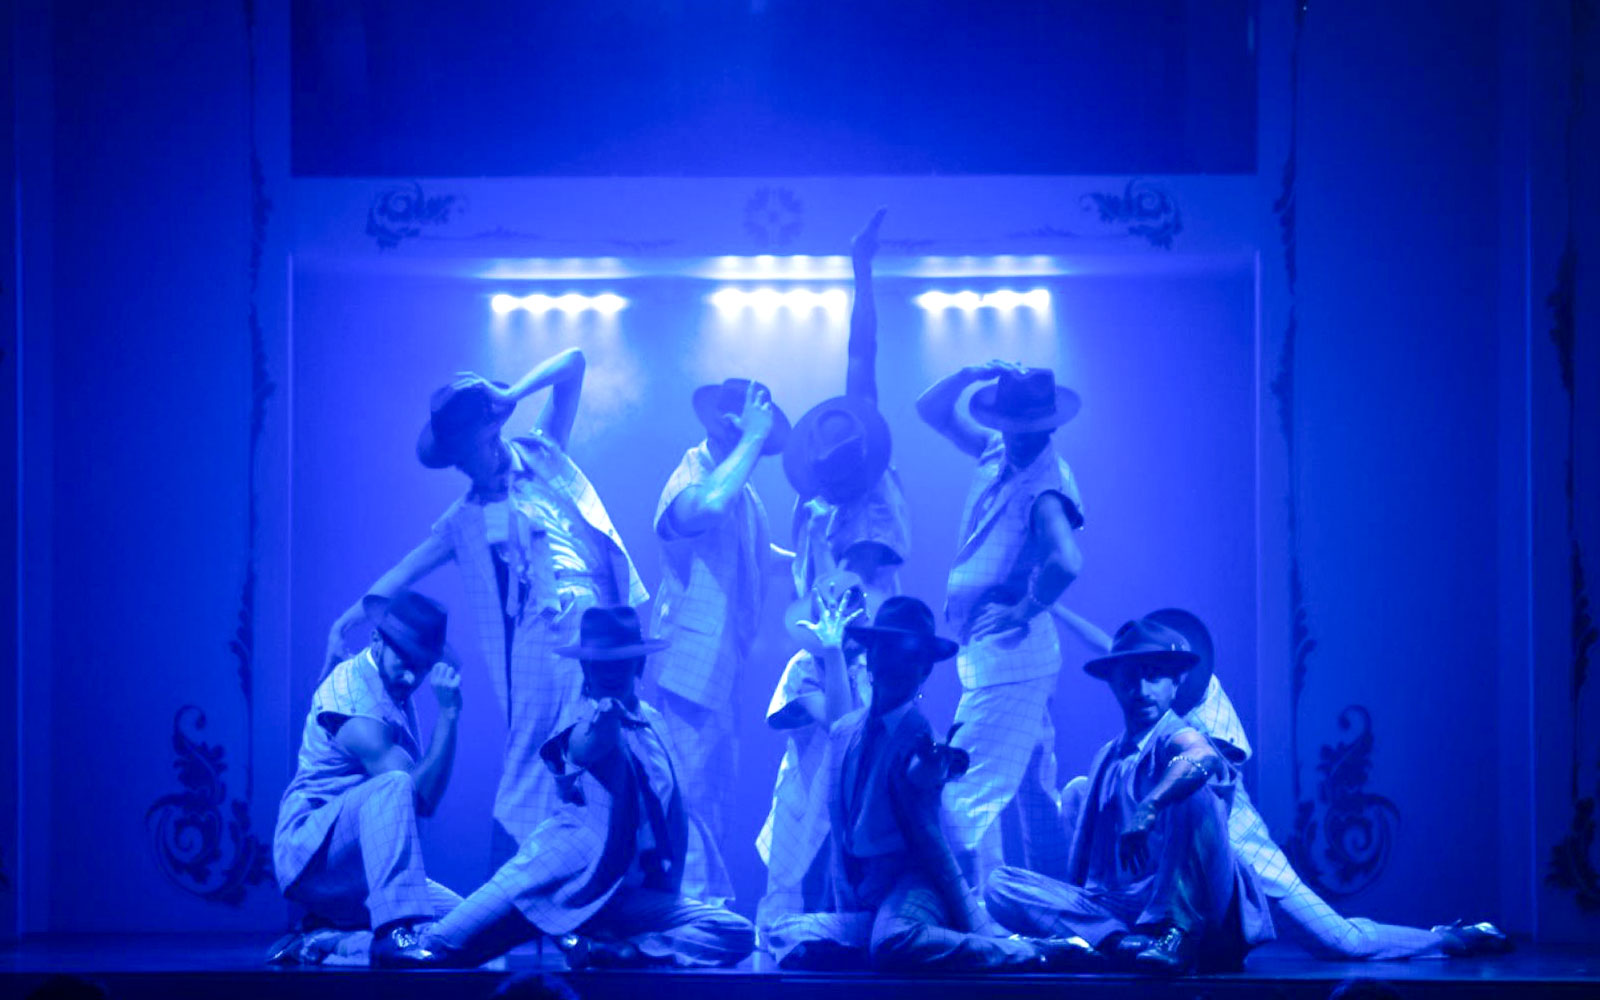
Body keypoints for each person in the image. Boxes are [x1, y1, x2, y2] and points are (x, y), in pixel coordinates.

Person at [324, 349, 648, 859]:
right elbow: (400, 575)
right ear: (457, 461)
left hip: (601, 632)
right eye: (478, 448)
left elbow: (575, 364)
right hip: (541, 640)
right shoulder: (464, 518)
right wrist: (345, 621)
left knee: (616, 749)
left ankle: (595, 902)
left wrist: (511, 396)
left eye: (494, 437)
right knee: (532, 761)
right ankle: (512, 895)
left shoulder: (541, 454)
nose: (493, 452)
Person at [1088, 608, 1511, 962]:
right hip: (1185, 873)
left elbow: (1208, 768)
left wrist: (1153, 800)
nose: (1143, 683)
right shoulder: (1129, 739)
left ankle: (1451, 939)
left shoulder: (1204, 713)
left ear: (1179, 674)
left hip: (1241, 851)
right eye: (1133, 672)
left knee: (1343, 942)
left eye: (1155, 668)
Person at [765, 597, 1099, 971]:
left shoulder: (917, 733)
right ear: (871, 658)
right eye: (887, 650)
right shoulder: (846, 732)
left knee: (894, 942)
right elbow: (843, 833)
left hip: (914, 879)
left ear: (925, 670)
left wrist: (931, 767)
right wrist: (850, 908)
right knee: (784, 931)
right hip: (868, 888)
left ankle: (1030, 951)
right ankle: (881, 939)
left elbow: (929, 823)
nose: (897, 664)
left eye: (912, 656)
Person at [417, 606, 756, 969]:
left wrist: (666, 890)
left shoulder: (653, 723)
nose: (610, 671)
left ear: (637, 665)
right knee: (437, 947)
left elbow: (673, 818)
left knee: (735, 932)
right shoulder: (581, 715)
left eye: (620, 661)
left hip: (622, 902)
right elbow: (583, 747)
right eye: (599, 663)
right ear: (585, 668)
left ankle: (622, 951)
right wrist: (605, 723)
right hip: (558, 888)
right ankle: (390, 908)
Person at [985, 615, 1275, 974]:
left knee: (1193, 787)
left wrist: (1150, 806)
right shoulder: (1107, 757)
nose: (1141, 691)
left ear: (1175, 682)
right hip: (1125, 908)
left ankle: (1176, 934)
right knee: (999, 886)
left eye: (1153, 677)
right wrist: (1076, 906)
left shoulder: (1178, 737)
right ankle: (1119, 944)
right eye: (1129, 680)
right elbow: (1086, 870)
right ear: (1114, 685)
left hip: (1197, 902)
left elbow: (1201, 756)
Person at [915, 362, 1085, 887]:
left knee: (963, 792)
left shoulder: (1046, 487)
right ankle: (1058, 910)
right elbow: (930, 410)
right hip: (1006, 655)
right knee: (1034, 794)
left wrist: (1025, 607)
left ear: (1048, 428)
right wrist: (968, 372)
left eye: (1026, 427)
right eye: (1009, 423)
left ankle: (975, 912)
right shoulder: (998, 453)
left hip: (1012, 656)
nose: (1015, 434)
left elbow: (1067, 561)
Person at [649, 376, 792, 892]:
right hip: (689, 665)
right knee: (690, 794)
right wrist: (755, 439)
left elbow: (759, 556)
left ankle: (701, 911)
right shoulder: (692, 477)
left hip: (721, 665)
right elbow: (704, 511)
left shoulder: (741, 489)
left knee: (713, 790)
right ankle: (690, 914)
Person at [273, 591, 465, 966]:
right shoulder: (353, 696)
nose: (412, 676)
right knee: (397, 783)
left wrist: (449, 714)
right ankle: (393, 931)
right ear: (376, 639)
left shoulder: (391, 684)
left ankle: (326, 940)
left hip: (361, 864)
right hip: (311, 855)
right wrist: (448, 715)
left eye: (422, 666)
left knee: (465, 929)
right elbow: (419, 798)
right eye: (405, 662)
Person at [784, 207, 911, 609]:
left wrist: (862, 271)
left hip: (860, 642)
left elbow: (844, 601)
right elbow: (859, 352)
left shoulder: (870, 509)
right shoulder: (821, 498)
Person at [754, 569, 873, 939]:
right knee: (790, 910)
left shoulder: (866, 666)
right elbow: (841, 724)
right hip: (807, 803)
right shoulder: (803, 666)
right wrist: (834, 650)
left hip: (851, 801)